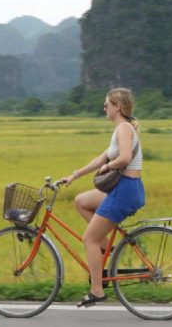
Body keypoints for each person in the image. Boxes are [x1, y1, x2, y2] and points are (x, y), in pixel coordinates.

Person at [59, 87, 145, 307]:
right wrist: (75, 175)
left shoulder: (124, 128)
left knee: (89, 239)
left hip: (125, 190)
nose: (104, 108)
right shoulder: (120, 130)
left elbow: (124, 158)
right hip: (124, 188)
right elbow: (101, 158)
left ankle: (97, 291)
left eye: (107, 104)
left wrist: (108, 166)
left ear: (117, 106)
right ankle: (108, 250)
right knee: (81, 201)